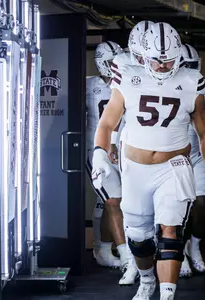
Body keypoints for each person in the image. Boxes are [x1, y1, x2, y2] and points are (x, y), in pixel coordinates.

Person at [93, 22, 205, 300]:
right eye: (156, 61)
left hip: (174, 167)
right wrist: (100, 152)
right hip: (135, 169)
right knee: (138, 237)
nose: (163, 67)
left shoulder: (191, 80)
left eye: (169, 61)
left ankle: (167, 294)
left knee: (170, 232)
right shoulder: (127, 78)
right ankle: (147, 279)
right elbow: (107, 123)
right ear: (142, 56)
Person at [110, 19, 155, 286]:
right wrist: (113, 141)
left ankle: (164, 259)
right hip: (132, 136)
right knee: (132, 206)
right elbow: (117, 109)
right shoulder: (123, 63)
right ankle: (134, 263)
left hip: (162, 139)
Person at [86, 41, 131, 270]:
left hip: (122, 150)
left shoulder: (127, 83)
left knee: (108, 201)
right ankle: (125, 255)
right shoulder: (88, 85)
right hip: (96, 150)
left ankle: (102, 249)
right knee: (112, 200)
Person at [178, 43, 205, 277]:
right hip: (175, 153)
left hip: (199, 151)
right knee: (179, 206)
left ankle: (195, 244)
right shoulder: (166, 84)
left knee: (203, 202)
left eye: (194, 66)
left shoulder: (203, 85)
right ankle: (179, 251)